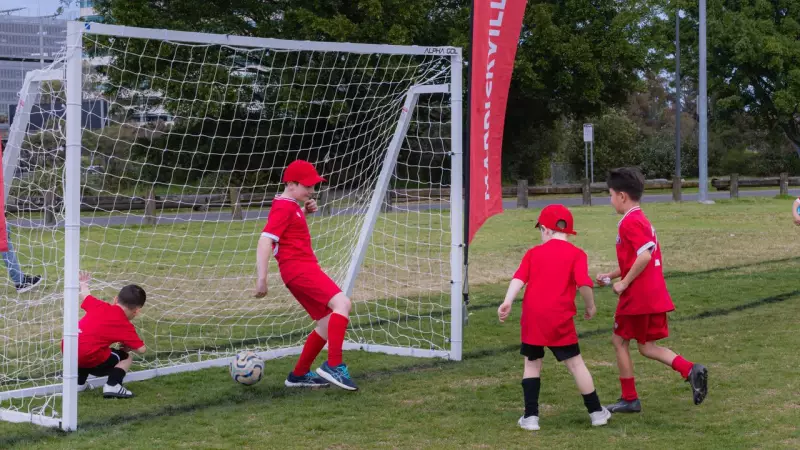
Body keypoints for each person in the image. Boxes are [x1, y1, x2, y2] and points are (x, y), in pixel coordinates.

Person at [596, 167, 708, 413]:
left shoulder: (630, 222)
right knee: (646, 347)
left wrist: (624, 283)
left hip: (638, 297)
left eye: (611, 194)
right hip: (653, 295)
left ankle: (629, 399)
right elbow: (637, 257)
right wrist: (612, 274)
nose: (610, 199)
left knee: (619, 341)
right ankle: (690, 370)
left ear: (622, 196)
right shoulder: (641, 219)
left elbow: (645, 256)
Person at [497, 204, 611, 430]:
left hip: (533, 318)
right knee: (576, 365)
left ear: (547, 230)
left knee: (532, 365)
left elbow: (519, 278)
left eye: (540, 229)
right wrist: (591, 306)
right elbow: (584, 284)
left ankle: (530, 418)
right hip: (559, 319)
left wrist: (508, 300)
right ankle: (597, 412)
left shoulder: (533, 253)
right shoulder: (577, 254)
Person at [255, 160, 357, 391]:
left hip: (298, 271)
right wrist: (262, 278)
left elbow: (288, 229)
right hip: (300, 270)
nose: (312, 191)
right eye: (307, 186)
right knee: (343, 303)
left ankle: (299, 375)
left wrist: (303, 212)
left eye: (314, 186)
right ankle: (334, 366)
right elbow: (265, 240)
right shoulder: (283, 206)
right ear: (291, 184)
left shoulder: (290, 205)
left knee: (326, 322)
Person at [63, 271, 147, 399]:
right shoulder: (124, 325)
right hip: (88, 356)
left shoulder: (99, 305)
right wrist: (128, 347)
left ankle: (78, 384)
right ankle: (113, 385)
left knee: (89, 348)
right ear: (136, 311)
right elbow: (141, 349)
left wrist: (83, 283)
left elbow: (85, 295)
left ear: (116, 300)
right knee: (125, 358)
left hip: (68, 350)